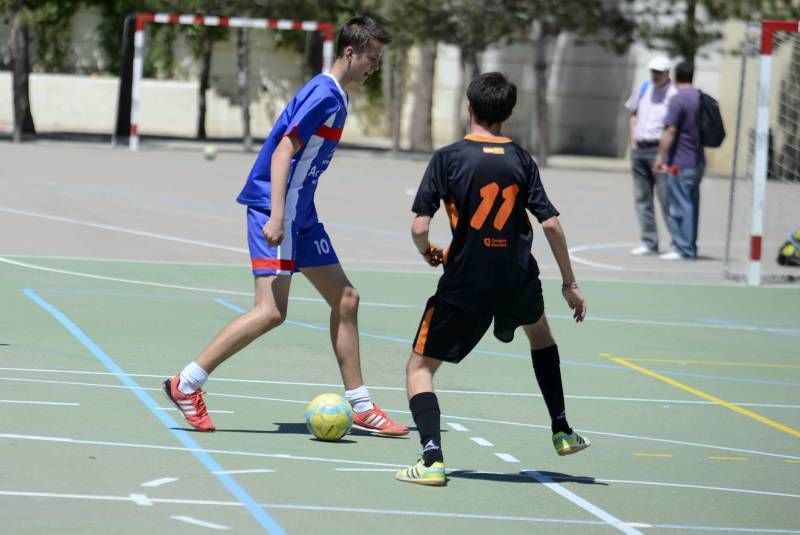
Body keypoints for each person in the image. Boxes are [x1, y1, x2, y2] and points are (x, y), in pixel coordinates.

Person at [162, 16, 408, 437]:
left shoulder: (336, 94)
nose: (375, 66)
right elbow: (282, 152)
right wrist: (277, 215)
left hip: (302, 212)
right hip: (276, 209)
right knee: (271, 312)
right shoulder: (324, 95)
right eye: (372, 57)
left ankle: (361, 405)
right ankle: (186, 384)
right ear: (350, 52)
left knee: (346, 299)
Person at [395, 73, 590, 487]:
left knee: (419, 368)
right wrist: (569, 283)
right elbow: (551, 224)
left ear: (469, 106)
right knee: (540, 334)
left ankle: (431, 458)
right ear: (510, 113)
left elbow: (418, 228)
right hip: (516, 275)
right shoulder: (521, 159)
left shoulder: (448, 158)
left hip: (466, 279)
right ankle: (561, 429)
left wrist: (428, 251)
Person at [624, 56, 677, 256]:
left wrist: (663, 155)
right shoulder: (645, 88)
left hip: (660, 151)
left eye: (659, 72)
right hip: (640, 150)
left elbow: (673, 127)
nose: (655, 75)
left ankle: (677, 243)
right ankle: (649, 242)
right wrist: (633, 144)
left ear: (667, 73)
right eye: (653, 71)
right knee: (642, 198)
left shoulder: (673, 94)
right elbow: (633, 115)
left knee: (666, 199)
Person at [654, 61, 705, 260]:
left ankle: (683, 248)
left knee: (679, 205)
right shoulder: (700, 97)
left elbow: (670, 130)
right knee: (691, 204)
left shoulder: (678, 99)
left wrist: (661, 157)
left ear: (676, 76)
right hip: (698, 160)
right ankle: (689, 245)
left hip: (680, 161)